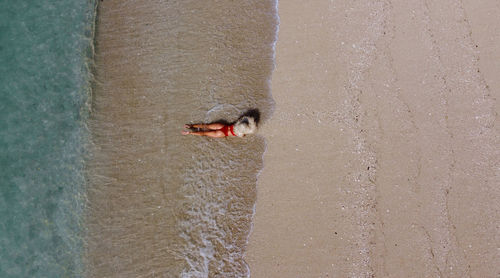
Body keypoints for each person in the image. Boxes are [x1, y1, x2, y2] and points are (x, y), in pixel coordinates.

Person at [182, 115, 257, 138]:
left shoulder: (239, 124)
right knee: (205, 133)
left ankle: (191, 125)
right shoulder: (242, 133)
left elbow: (241, 119)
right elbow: (242, 135)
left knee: (206, 126)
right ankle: (189, 133)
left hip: (224, 126)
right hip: (222, 134)